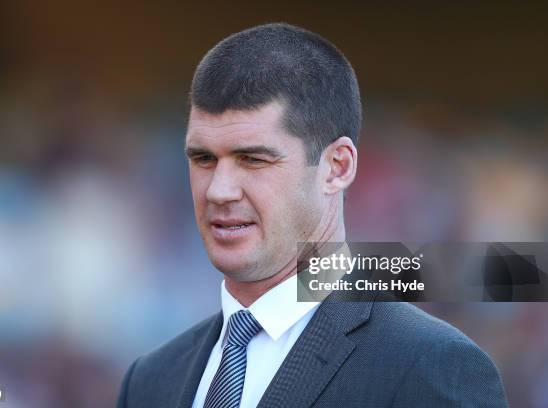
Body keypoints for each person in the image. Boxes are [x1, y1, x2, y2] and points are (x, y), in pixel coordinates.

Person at [117, 23, 508, 407]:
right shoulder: (151, 381)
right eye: (203, 159)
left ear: (337, 167)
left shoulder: (429, 368)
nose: (218, 190)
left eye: (253, 159)